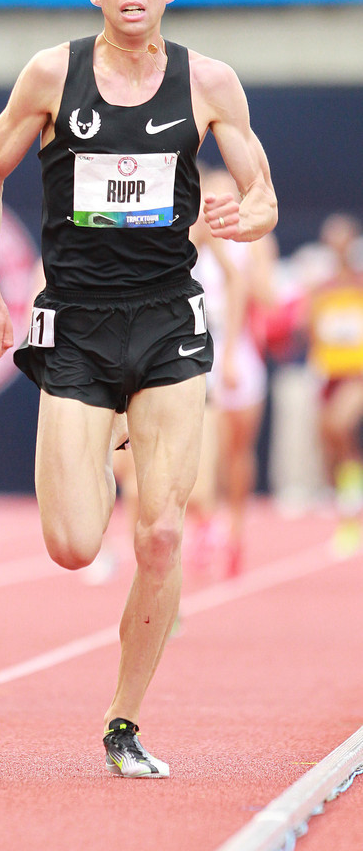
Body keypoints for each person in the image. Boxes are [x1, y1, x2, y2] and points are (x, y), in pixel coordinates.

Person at [0, 0, 277, 777]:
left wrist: (245, 218)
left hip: (169, 318)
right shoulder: (51, 74)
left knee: (161, 535)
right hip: (77, 321)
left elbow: (262, 195)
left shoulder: (209, 82)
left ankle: (123, 721)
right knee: (73, 544)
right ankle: (104, 441)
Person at [191, 165, 277, 576]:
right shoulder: (192, 234)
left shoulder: (255, 241)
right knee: (199, 451)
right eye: (210, 196)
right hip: (196, 347)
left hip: (237, 348)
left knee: (236, 452)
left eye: (226, 196)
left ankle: (236, 530)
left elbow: (269, 297)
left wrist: (245, 268)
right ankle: (205, 523)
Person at [304, 213, 363, 555]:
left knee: (340, 427)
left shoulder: (359, 284)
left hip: (356, 375)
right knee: (330, 443)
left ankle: (350, 515)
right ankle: (347, 506)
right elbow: (311, 332)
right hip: (328, 375)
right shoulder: (320, 289)